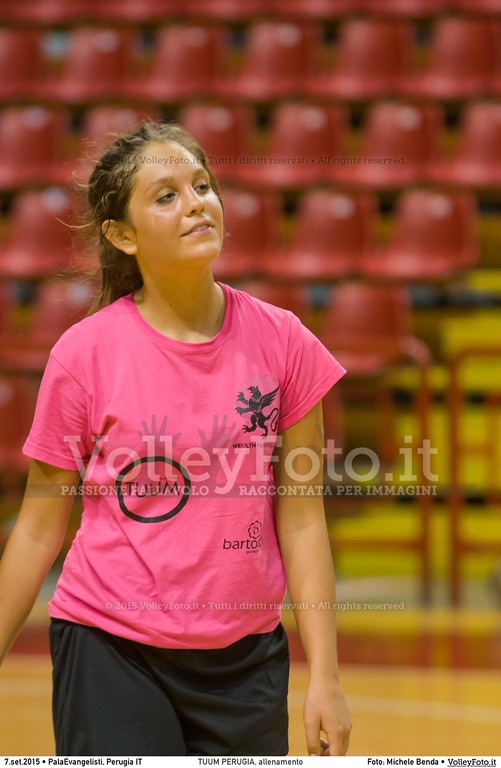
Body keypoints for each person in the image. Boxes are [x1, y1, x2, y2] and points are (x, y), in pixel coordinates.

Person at [0, 122, 352, 757]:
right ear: (122, 235)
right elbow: (37, 526)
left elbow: (301, 518)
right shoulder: (85, 353)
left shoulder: (286, 342)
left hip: (247, 662)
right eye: (166, 195)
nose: (196, 202)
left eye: (202, 185)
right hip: (110, 647)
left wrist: (324, 675)